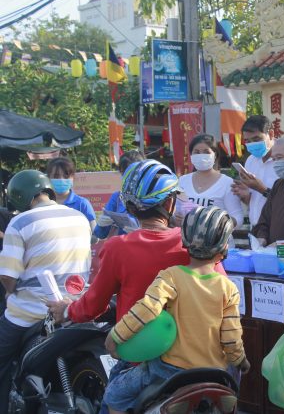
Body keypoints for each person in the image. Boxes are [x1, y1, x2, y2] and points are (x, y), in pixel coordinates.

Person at [47, 159, 226, 413]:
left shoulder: (117, 248)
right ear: (169, 203)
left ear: (130, 207)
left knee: (112, 400)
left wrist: (66, 310)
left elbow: (93, 305)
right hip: (205, 358)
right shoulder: (195, 243)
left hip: (142, 360)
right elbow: (222, 292)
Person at [103, 206, 249, 414]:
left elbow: (147, 309)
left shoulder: (170, 276)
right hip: (215, 373)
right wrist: (240, 360)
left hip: (169, 371)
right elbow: (231, 338)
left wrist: (116, 336)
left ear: (184, 240)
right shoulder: (229, 288)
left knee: (115, 394)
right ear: (224, 248)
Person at [0, 170, 91, 412]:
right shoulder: (79, 217)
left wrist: (9, 291)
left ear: (20, 197)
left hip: (32, 312)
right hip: (75, 306)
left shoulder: (20, 222)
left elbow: (8, 275)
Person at [177, 134, 244, 228]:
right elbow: (175, 211)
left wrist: (217, 223)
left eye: (206, 152)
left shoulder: (227, 183)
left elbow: (238, 218)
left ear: (215, 155)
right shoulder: (182, 181)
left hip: (216, 237)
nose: (201, 156)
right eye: (196, 152)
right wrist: (175, 219)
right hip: (186, 236)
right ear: (191, 155)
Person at [231, 116, 279, 227]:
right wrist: (245, 196)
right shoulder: (251, 160)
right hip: (256, 228)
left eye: (257, 139)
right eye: (247, 141)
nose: (252, 144)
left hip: (278, 228)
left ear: (271, 134)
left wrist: (261, 189)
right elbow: (255, 202)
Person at [93, 150, 145, 239]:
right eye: (124, 172)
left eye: (132, 172)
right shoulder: (117, 197)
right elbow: (100, 234)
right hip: (121, 245)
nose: (128, 176)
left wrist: (141, 232)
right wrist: (102, 224)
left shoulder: (152, 197)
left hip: (145, 245)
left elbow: (164, 232)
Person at [46, 157, 97, 230]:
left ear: (73, 178)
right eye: (56, 176)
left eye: (66, 176)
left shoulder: (82, 204)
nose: (61, 179)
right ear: (48, 178)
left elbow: (94, 232)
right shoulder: (43, 204)